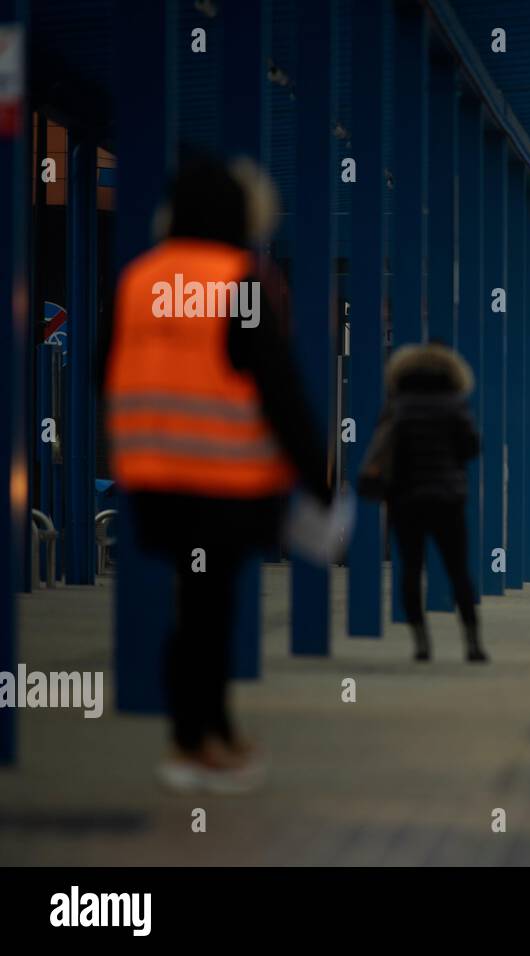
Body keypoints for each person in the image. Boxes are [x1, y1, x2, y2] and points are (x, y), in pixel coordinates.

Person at [100, 154, 340, 794]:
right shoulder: (242, 283)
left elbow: (104, 368)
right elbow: (277, 383)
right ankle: (196, 741)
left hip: (154, 477)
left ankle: (208, 732)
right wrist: (316, 476)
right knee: (210, 610)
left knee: (195, 604)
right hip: (220, 480)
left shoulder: (138, 279)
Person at [372, 343, 487, 664]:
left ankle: (421, 643)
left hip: (406, 498)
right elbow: (471, 446)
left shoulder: (397, 405)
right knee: (458, 569)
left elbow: (382, 446)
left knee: (410, 569)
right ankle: (472, 643)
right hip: (447, 497)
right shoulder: (454, 404)